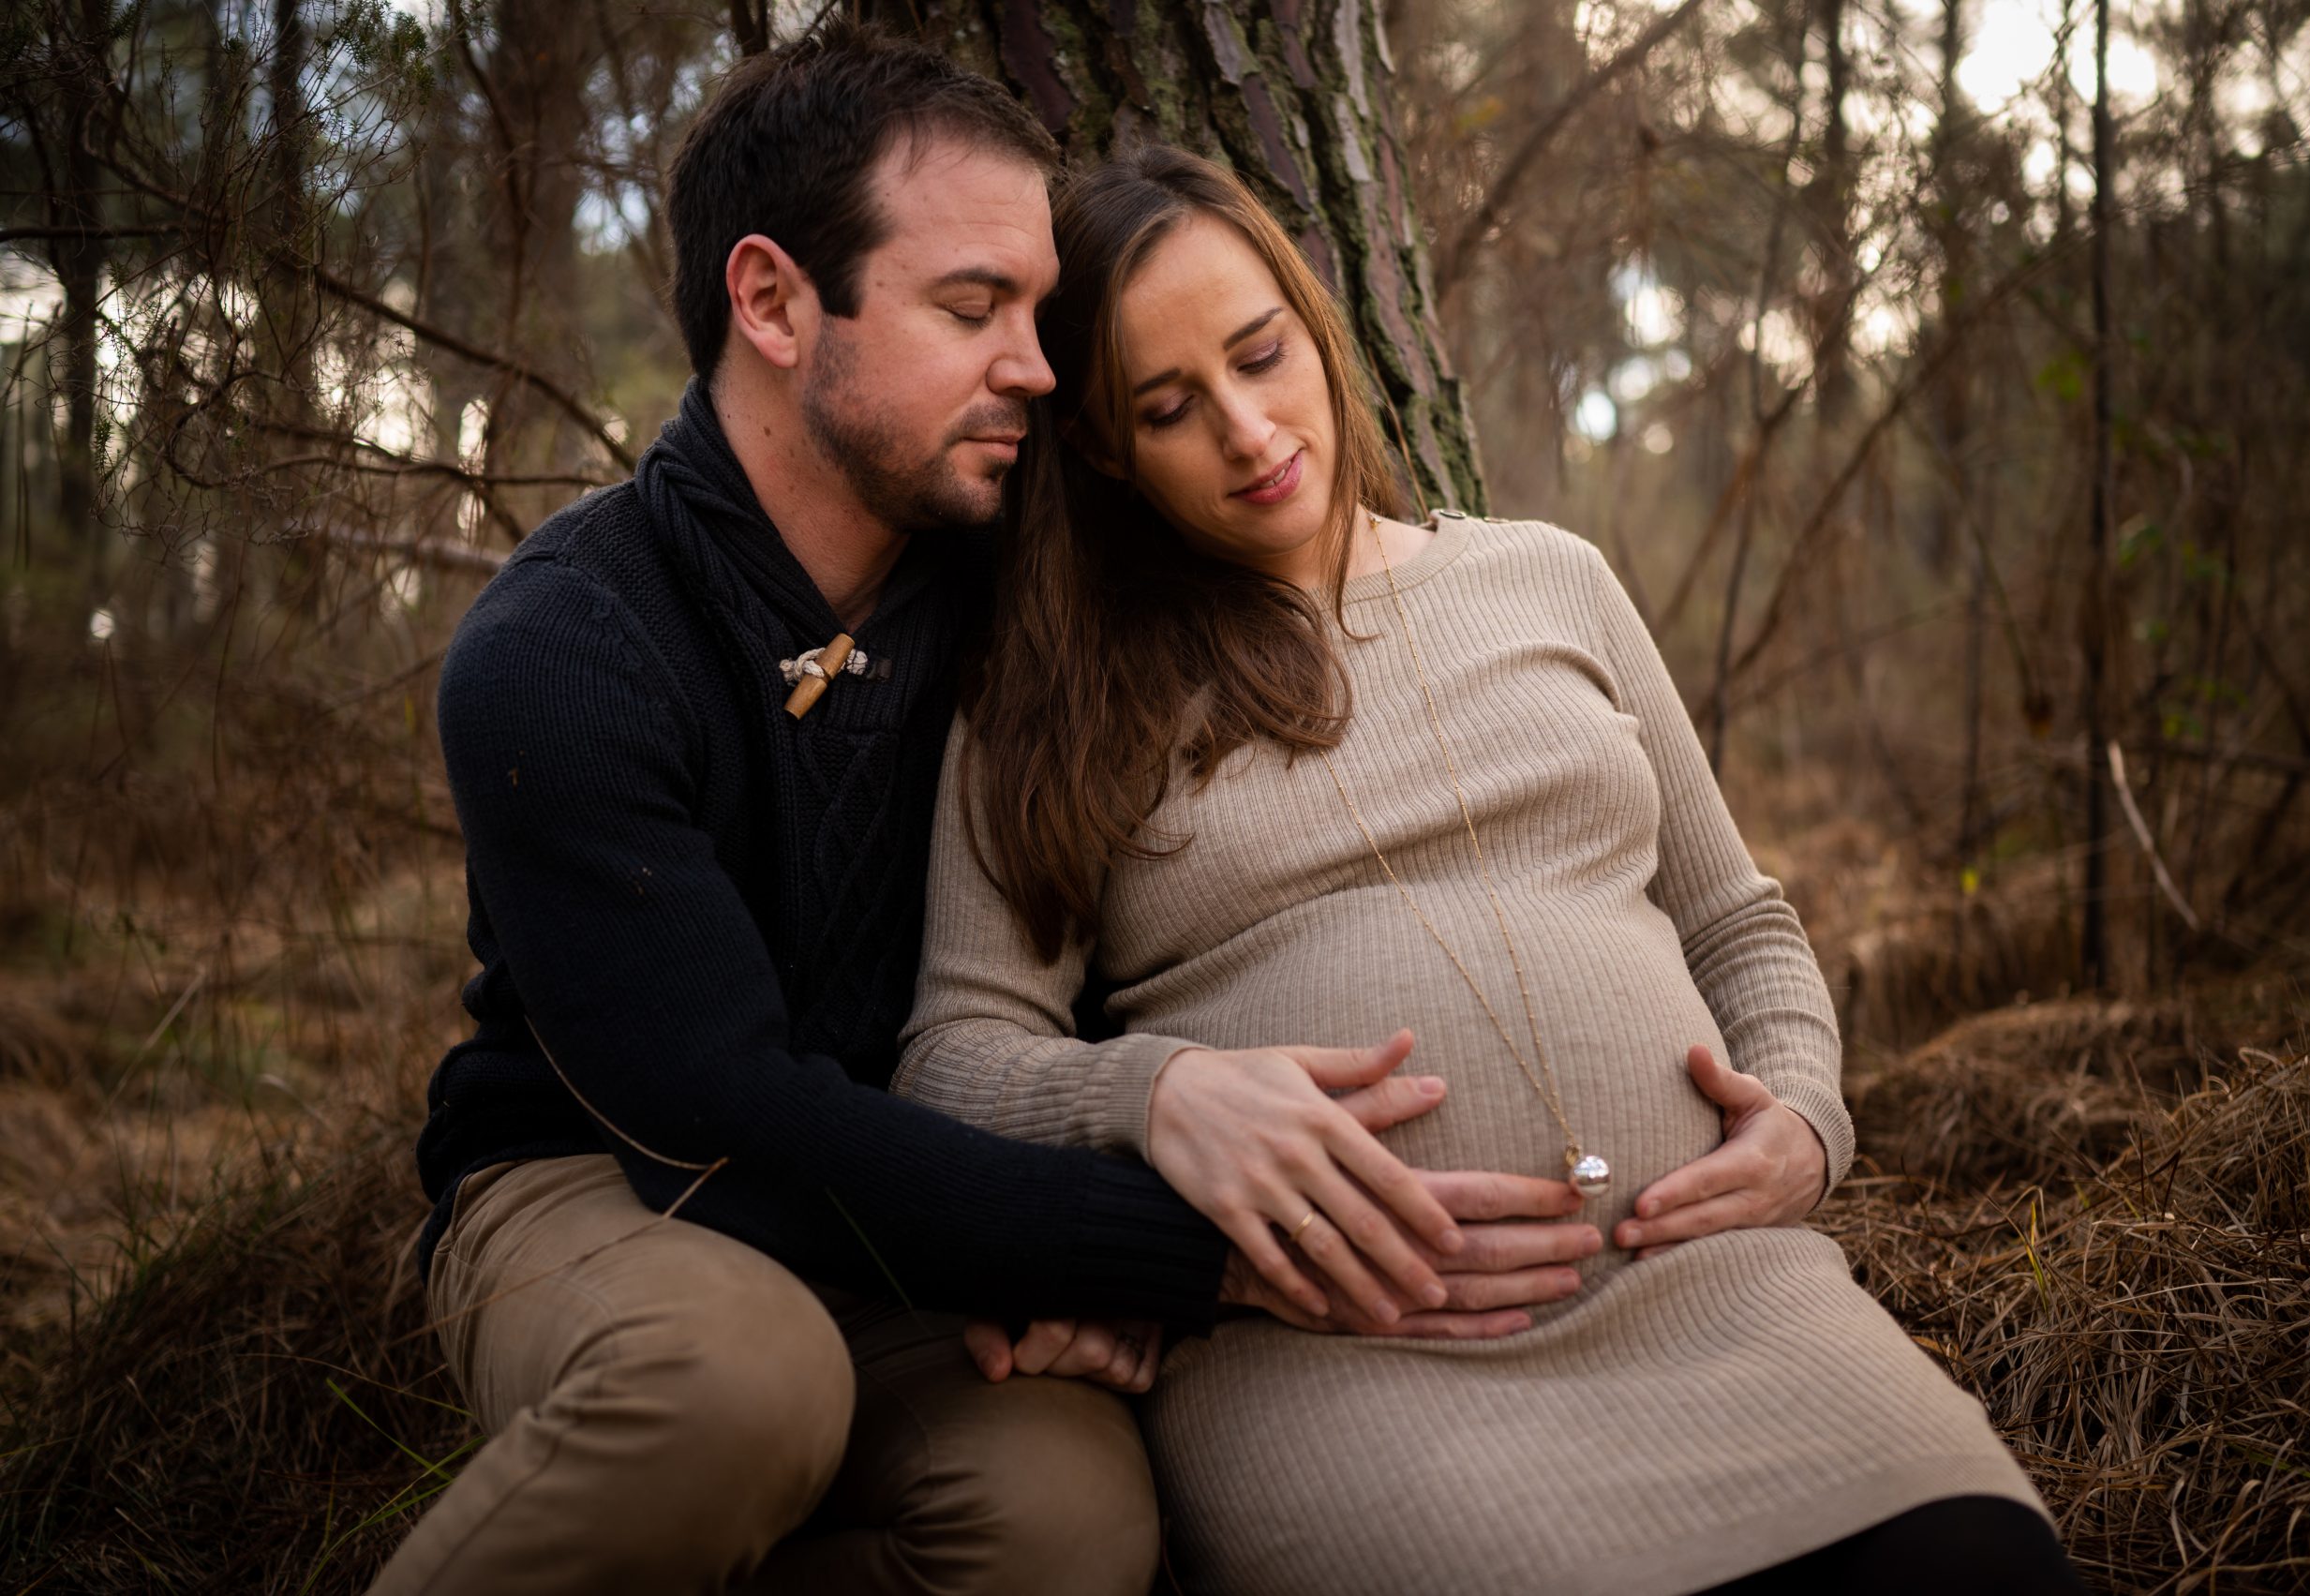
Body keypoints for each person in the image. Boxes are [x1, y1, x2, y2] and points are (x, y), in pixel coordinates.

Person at [369, 29, 1592, 1596]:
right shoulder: (563, 653)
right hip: (600, 1178)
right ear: (773, 302)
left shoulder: (1018, 581)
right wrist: (1164, 1253)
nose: (1035, 362)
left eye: (1037, 311)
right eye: (973, 308)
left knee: (1067, 1524)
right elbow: (721, 1116)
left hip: (917, 1187)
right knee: (738, 1391)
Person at [894, 145, 2089, 1596]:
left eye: (1263, 355)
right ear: (1099, 448)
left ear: (1317, 320)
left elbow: (1742, 923)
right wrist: (1151, 1093)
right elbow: (955, 1059)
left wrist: (1810, 1122)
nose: (1251, 428)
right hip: (1346, 1352)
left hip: (1719, 1297)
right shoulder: (1054, 697)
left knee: (1988, 1566)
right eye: (1168, 406)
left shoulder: (1547, 577)